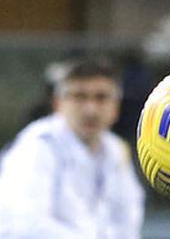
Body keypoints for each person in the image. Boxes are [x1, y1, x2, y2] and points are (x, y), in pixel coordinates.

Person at [0, 58, 145, 239]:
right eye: (79, 97)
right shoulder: (37, 146)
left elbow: (128, 223)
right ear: (57, 104)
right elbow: (23, 227)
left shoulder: (116, 149)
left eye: (101, 97)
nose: (90, 110)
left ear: (116, 107)